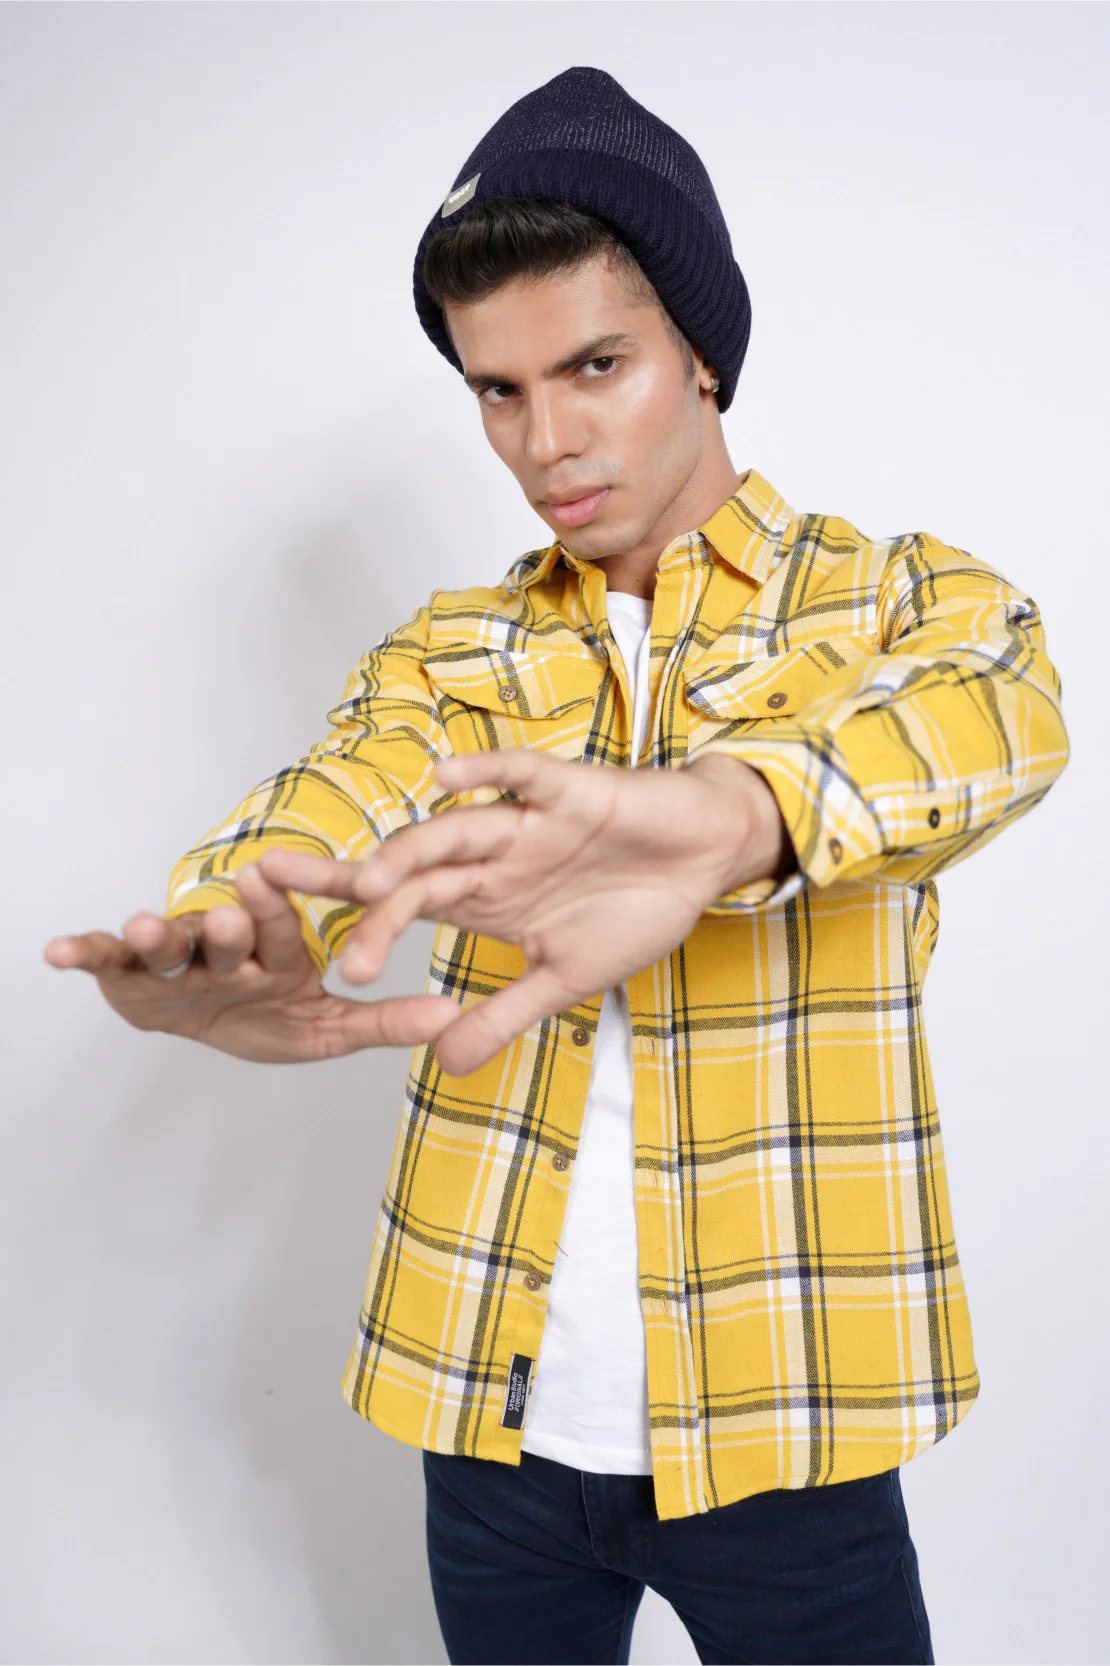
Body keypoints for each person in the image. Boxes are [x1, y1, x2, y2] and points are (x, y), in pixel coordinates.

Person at [44, 64, 1070, 1666]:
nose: (545, 439)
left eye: (595, 365)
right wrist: (225, 921)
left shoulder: (892, 601)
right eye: (497, 389)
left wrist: (733, 811)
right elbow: (333, 788)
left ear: (699, 350)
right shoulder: (454, 649)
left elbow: (999, 715)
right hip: (488, 1425)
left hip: (788, 1440)